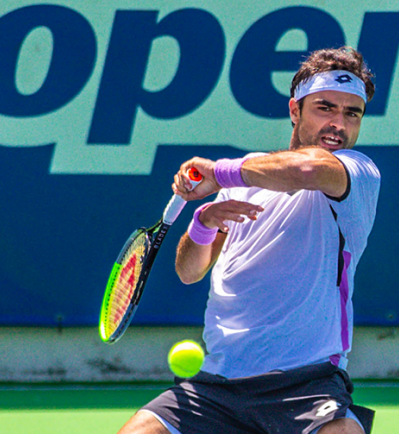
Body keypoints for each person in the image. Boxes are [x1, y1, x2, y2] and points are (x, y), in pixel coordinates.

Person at [118, 46, 381, 434]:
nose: (338, 123)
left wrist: (219, 172)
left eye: (351, 112)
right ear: (295, 110)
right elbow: (189, 271)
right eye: (325, 107)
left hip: (306, 385)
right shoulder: (245, 177)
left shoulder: (356, 172)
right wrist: (203, 222)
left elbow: (307, 168)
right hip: (216, 386)